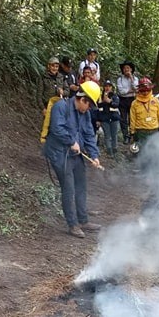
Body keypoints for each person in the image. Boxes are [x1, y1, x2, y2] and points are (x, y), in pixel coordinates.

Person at [44, 81, 103, 238]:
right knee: (69, 188)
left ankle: (83, 220)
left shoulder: (85, 114)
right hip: (59, 154)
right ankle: (73, 224)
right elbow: (57, 128)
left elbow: (89, 134)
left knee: (81, 185)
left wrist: (94, 155)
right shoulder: (61, 107)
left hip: (74, 155)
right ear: (83, 100)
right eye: (89, 105)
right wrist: (71, 141)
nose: (89, 109)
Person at [129, 77, 159, 174]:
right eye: (143, 91)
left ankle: (153, 171)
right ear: (139, 90)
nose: (145, 93)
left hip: (154, 131)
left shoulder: (155, 101)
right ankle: (143, 171)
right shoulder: (135, 103)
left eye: (147, 90)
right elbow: (132, 119)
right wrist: (132, 132)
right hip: (141, 132)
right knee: (142, 152)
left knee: (154, 151)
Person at [39, 56, 64, 143]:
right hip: (47, 106)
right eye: (53, 66)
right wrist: (43, 108)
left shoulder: (61, 77)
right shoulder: (43, 77)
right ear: (48, 66)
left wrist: (63, 92)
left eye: (56, 66)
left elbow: (67, 90)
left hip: (59, 106)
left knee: (57, 127)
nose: (54, 68)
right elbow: (39, 95)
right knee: (47, 127)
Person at [95, 80, 121, 157]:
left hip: (114, 118)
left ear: (112, 87)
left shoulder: (115, 96)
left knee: (114, 134)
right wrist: (98, 119)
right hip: (104, 119)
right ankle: (109, 150)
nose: (107, 88)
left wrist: (110, 102)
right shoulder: (99, 96)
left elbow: (116, 105)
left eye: (109, 86)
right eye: (106, 86)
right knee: (107, 135)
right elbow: (97, 107)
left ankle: (115, 149)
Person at [117, 61, 139, 143]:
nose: (126, 70)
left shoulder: (135, 78)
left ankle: (132, 135)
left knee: (132, 118)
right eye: (124, 68)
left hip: (132, 100)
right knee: (123, 119)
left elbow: (136, 88)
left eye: (128, 68)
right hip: (122, 100)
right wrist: (131, 90)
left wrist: (131, 78)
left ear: (131, 69)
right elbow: (121, 91)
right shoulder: (120, 79)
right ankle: (125, 136)